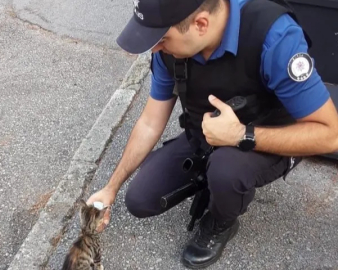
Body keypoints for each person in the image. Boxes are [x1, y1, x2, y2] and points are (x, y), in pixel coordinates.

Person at [87, 0, 338, 268]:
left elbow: (330, 135)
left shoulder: (274, 36)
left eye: (161, 39)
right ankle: (211, 176)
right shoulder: (169, 47)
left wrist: (242, 135)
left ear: (201, 24)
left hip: (269, 136)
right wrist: (110, 187)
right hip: (206, 135)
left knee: (227, 172)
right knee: (140, 199)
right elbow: (150, 121)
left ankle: (221, 220)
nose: (155, 47)